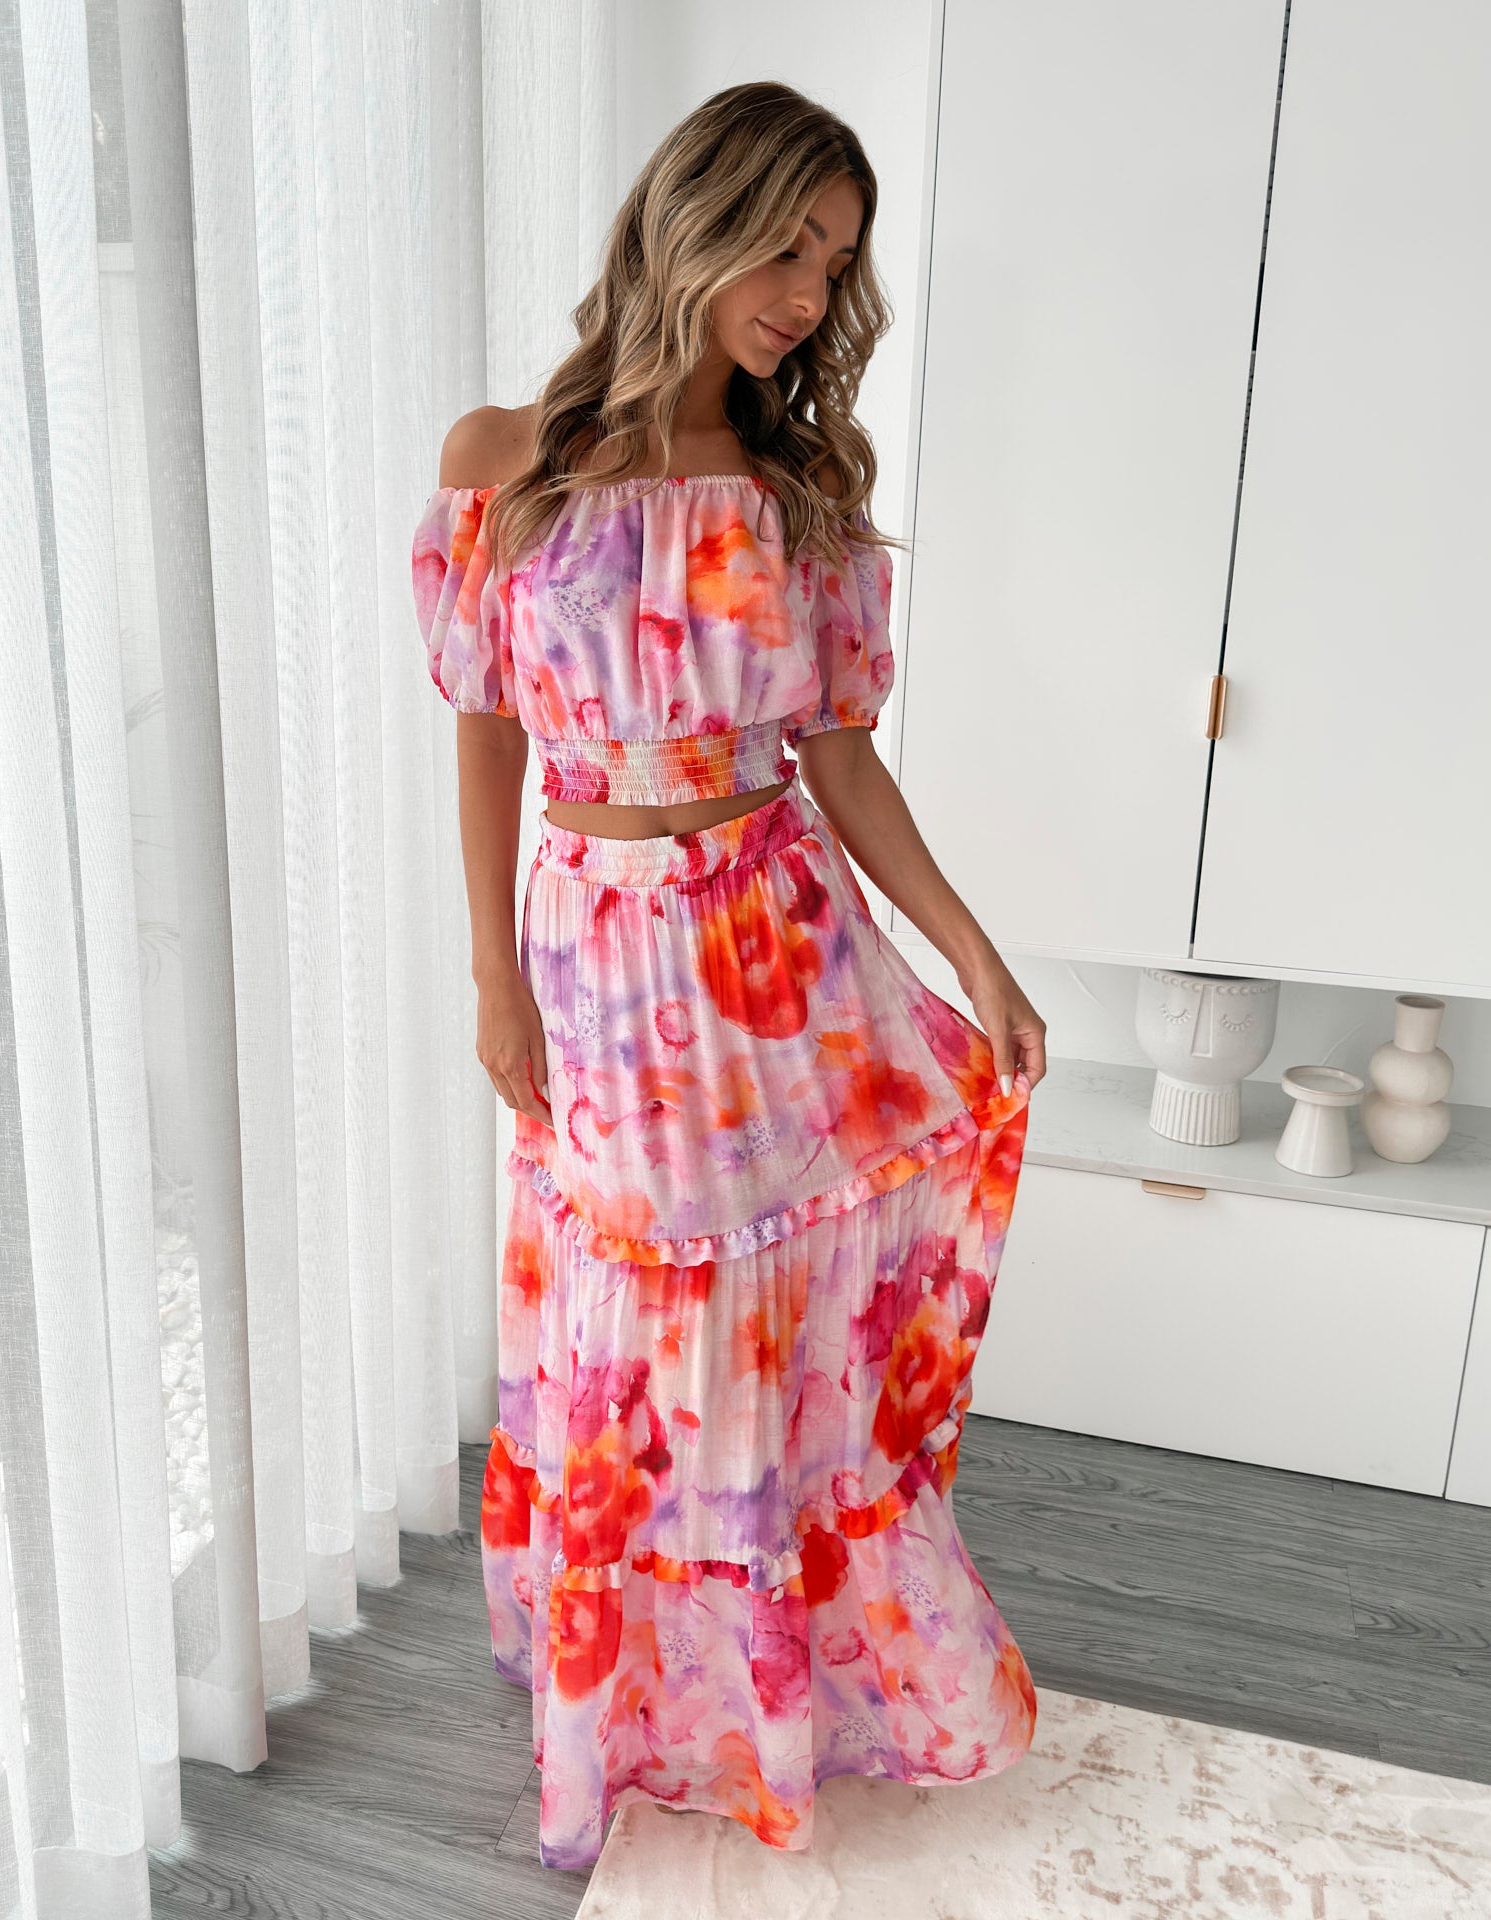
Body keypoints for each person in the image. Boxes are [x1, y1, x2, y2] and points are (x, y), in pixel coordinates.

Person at [410, 78, 1048, 1874]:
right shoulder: (499, 460)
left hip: (777, 948)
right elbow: (481, 731)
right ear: (692, 215)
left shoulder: (791, 488)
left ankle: (776, 1701)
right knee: (642, 1326)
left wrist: (974, 955)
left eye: (834, 260)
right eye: (783, 240)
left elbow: (839, 756)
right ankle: (643, 1700)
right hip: (597, 955)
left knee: (752, 1339)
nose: (804, 287)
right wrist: (489, 975)